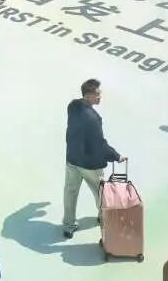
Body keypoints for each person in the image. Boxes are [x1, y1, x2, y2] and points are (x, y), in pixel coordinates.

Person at [63, 78, 125, 240]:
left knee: (70, 192)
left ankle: (69, 225)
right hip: (90, 165)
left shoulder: (73, 106)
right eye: (97, 94)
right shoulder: (93, 118)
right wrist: (116, 156)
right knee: (100, 193)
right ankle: (103, 217)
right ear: (88, 95)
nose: (100, 97)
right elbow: (99, 144)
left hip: (72, 159)